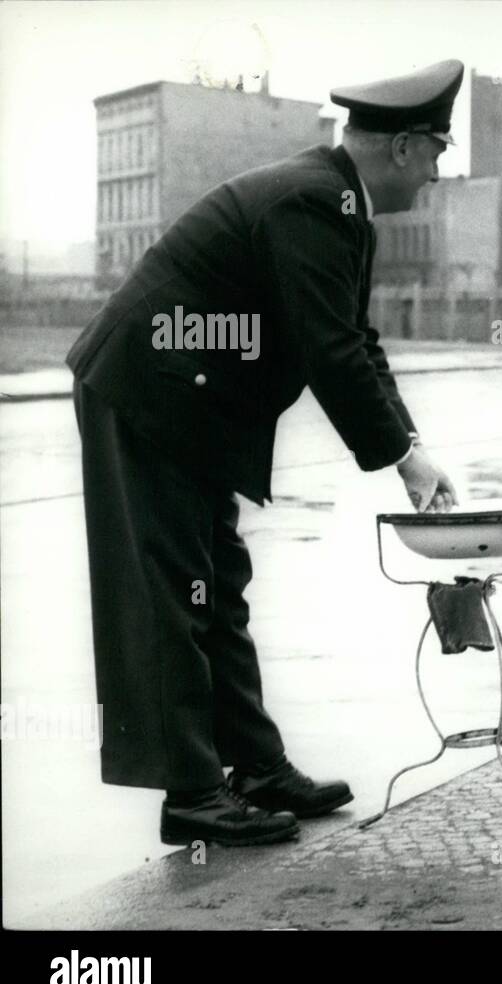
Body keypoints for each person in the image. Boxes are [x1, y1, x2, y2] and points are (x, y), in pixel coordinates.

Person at [65, 61, 464, 848]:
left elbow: (353, 340)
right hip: (150, 391)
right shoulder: (314, 202)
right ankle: (192, 792)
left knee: (217, 586)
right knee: (173, 593)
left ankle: (253, 765)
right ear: (408, 148)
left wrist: (411, 445)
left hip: (188, 398)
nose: (437, 175)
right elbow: (331, 352)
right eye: (439, 154)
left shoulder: (340, 204)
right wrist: (403, 463)